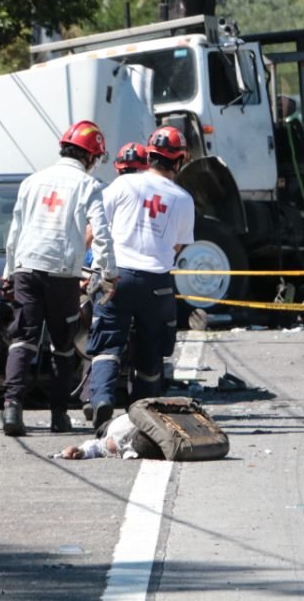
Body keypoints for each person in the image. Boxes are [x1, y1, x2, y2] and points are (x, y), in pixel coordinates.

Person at [1, 121, 116, 436]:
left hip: (26, 268)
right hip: (63, 274)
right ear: (91, 156)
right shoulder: (88, 185)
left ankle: (12, 408)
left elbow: (15, 232)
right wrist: (108, 273)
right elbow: (102, 234)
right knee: (63, 345)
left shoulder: (32, 181)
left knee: (22, 338)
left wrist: (8, 273)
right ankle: (58, 415)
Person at [85, 126, 195, 428]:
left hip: (116, 276)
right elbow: (177, 245)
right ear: (179, 161)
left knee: (107, 341)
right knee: (151, 349)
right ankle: (142, 419)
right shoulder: (184, 199)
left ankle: (102, 400)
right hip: (156, 283)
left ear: (150, 154)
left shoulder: (124, 185)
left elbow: (95, 227)